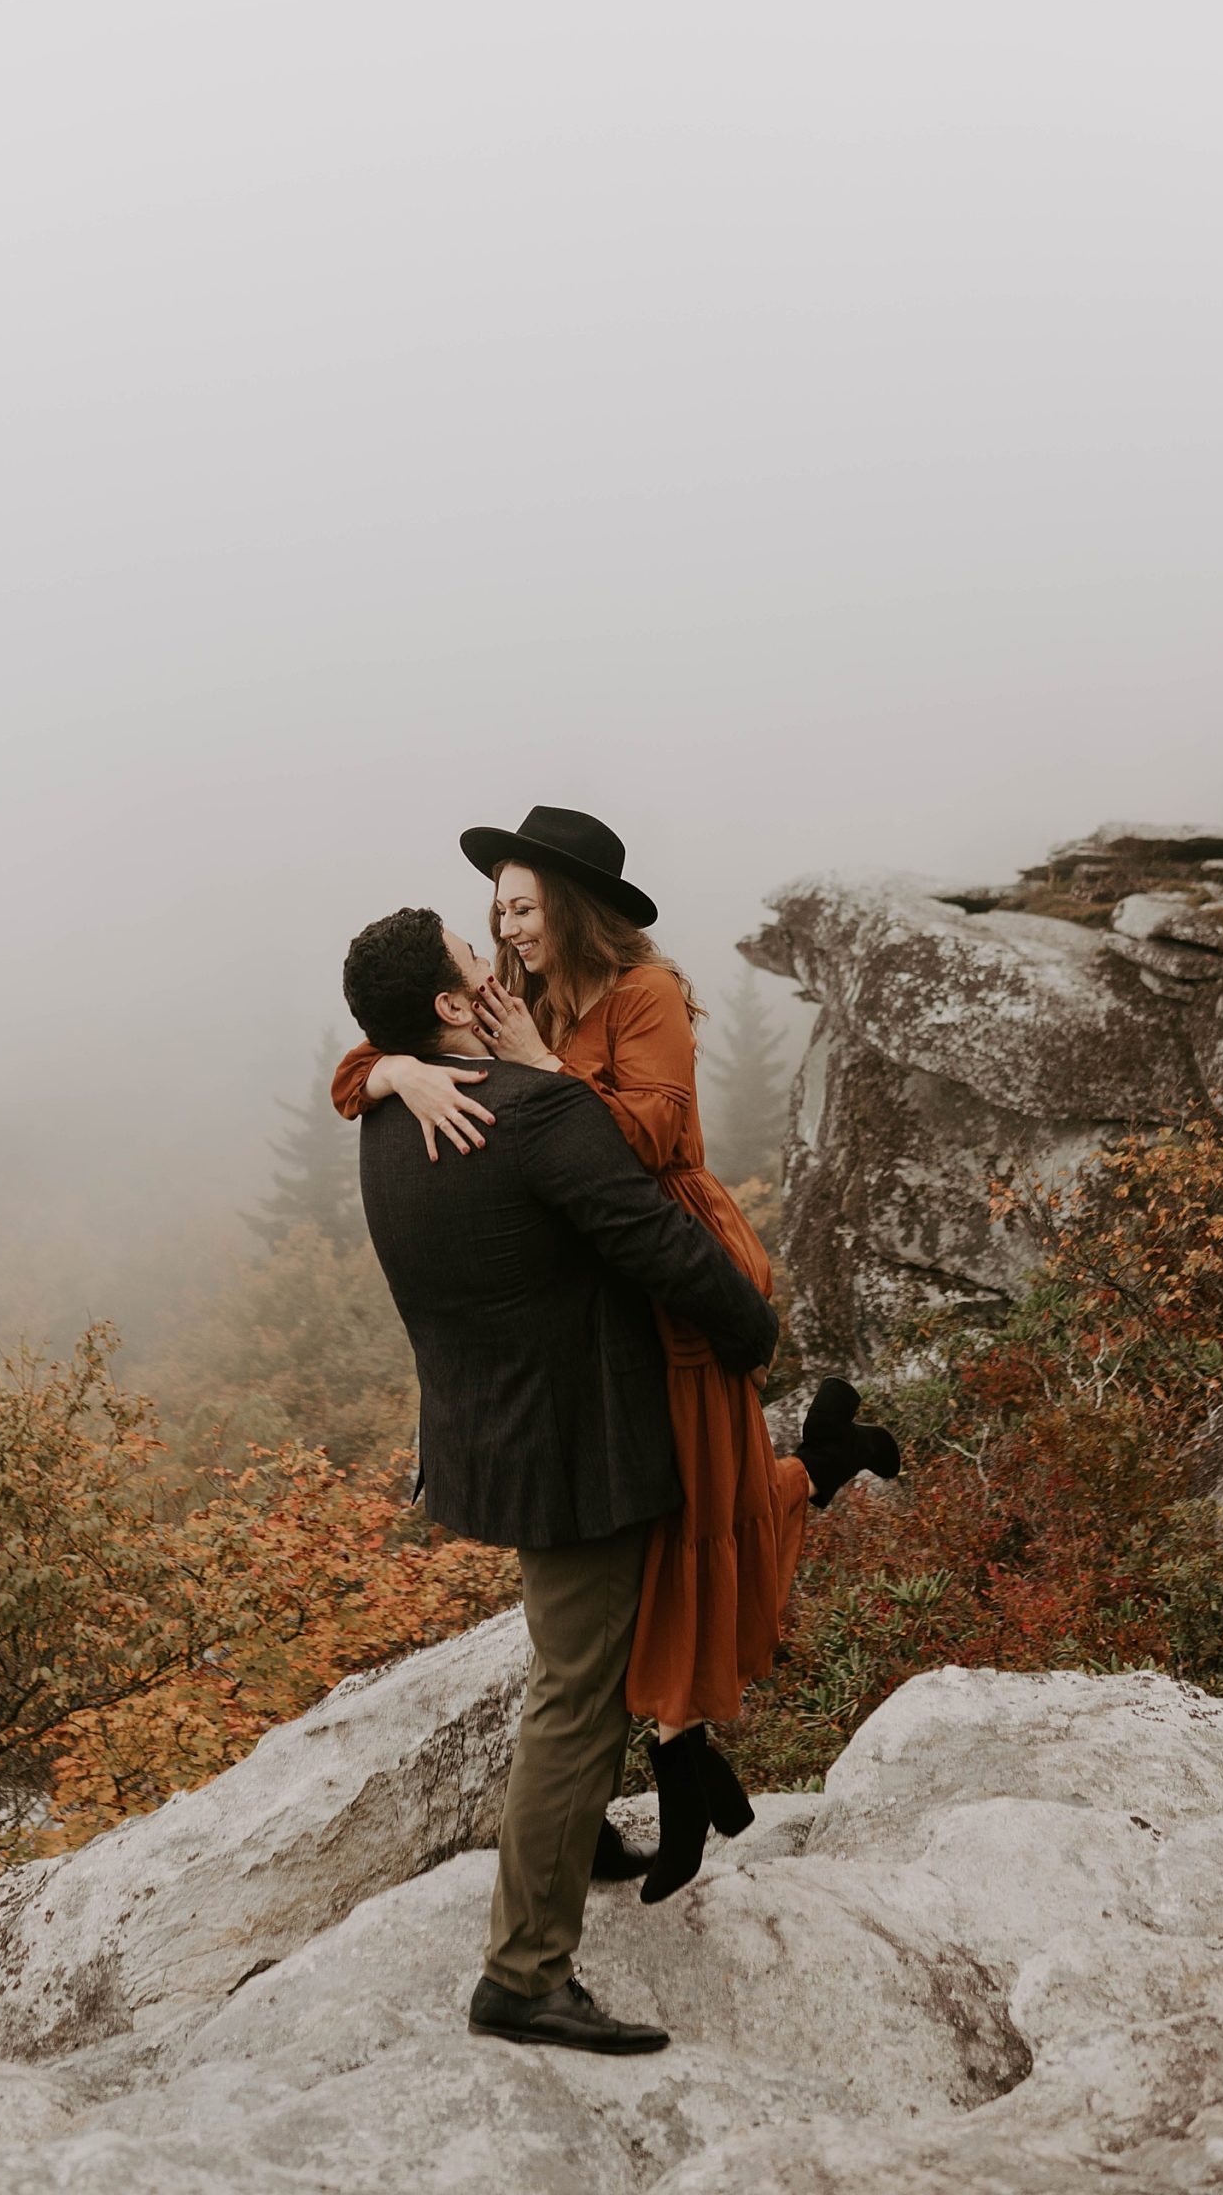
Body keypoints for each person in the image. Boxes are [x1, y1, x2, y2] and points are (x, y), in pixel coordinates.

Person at [333, 807, 899, 1902]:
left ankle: (686, 1746)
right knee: (672, 1522)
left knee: (699, 1519)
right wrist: (396, 1077)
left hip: (671, 1264)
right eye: (494, 910)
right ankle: (687, 1747)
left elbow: (646, 1135)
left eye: (520, 904)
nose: (503, 924)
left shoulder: (642, 996)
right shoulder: (513, 995)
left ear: (571, 907)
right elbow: (373, 1046)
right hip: (602, 1288)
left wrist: (543, 1069)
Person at [340, 901, 780, 2056]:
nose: (493, 963)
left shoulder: (390, 1123)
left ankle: (577, 1839)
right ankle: (524, 1971)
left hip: (490, 1436)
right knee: (575, 1693)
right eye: (472, 959)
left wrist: (389, 1069)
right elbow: (650, 1236)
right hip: (578, 1445)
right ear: (448, 1005)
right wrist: (749, 1327)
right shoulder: (533, 1115)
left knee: (566, 1654)